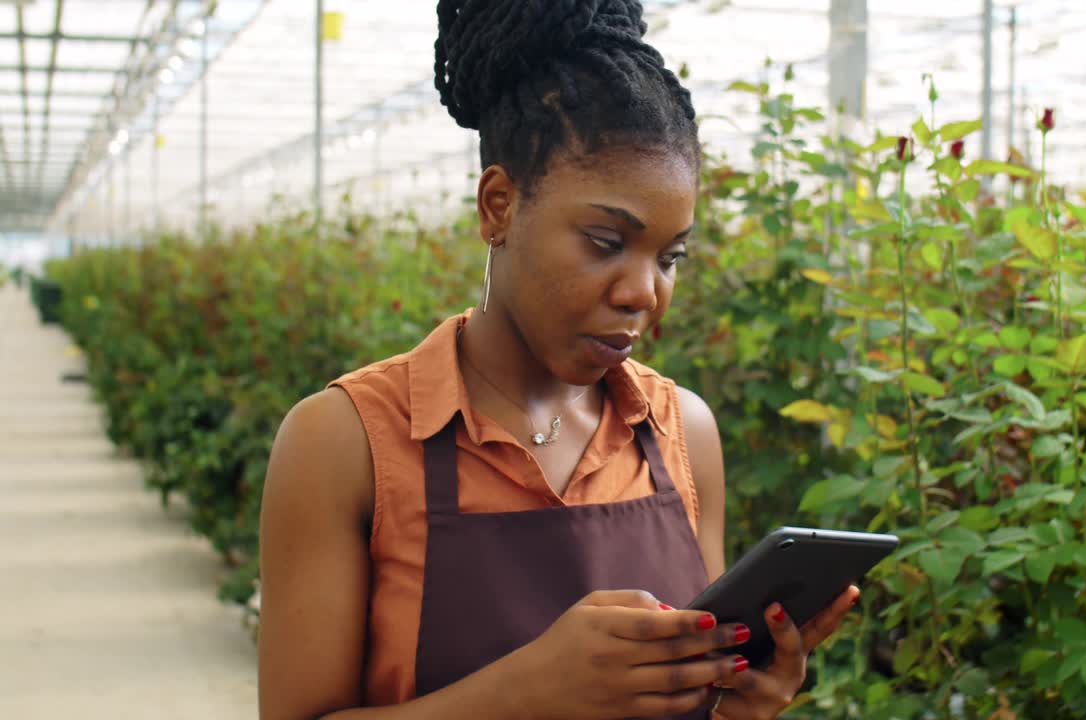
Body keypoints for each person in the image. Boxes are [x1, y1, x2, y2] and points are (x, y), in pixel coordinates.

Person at [256, 1, 860, 718]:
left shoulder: (680, 434)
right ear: (498, 206)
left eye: (671, 258)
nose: (645, 293)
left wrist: (739, 704)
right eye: (606, 242)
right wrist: (534, 690)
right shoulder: (347, 444)